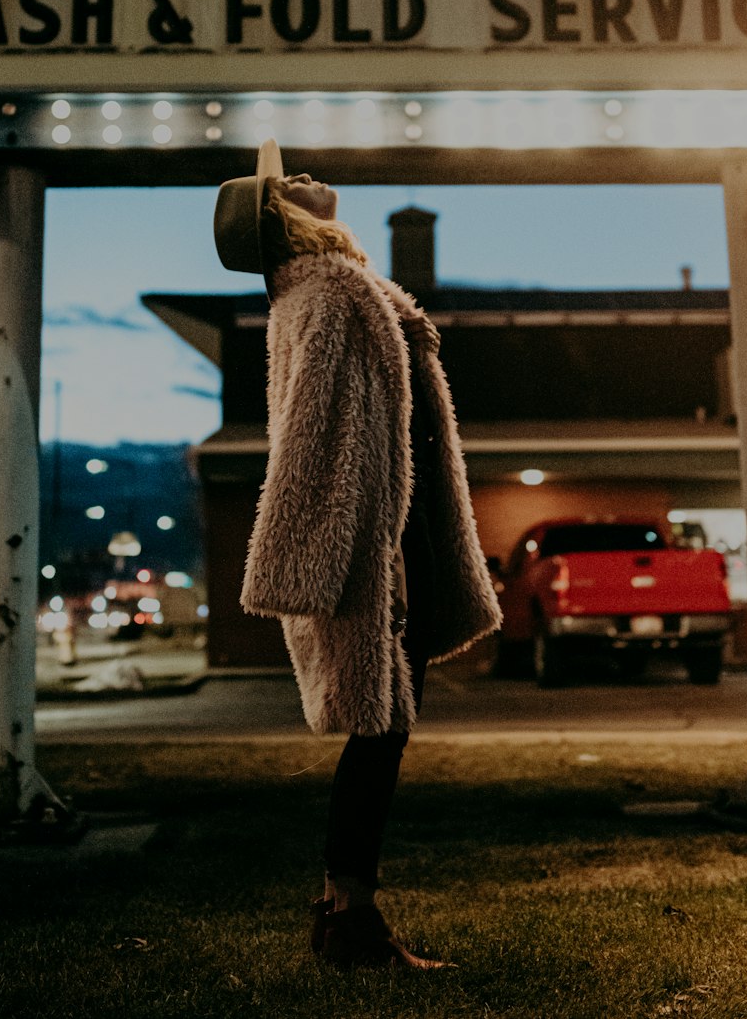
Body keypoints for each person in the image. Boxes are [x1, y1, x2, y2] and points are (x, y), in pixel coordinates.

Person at [214, 140, 502, 971]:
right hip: (372, 543)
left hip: (381, 537)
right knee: (380, 729)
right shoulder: (333, 294)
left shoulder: (332, 292)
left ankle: (347, 914)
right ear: (283, 220)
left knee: (385, 727)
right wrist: (349, 559)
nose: (301, 176)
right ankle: (351, 919)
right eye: (284, 184)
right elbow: (314, 439)